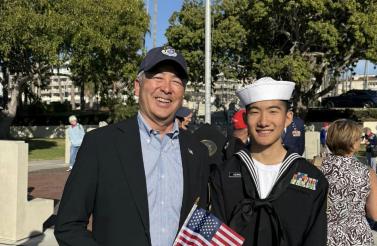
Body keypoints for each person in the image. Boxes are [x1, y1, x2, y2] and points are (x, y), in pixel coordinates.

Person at [55, 46, 211, 246]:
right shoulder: (100, 145)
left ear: (182, 93)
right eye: (157, 77)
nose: (167, 87)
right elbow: (68, 226)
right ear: (137, 86)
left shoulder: (197, 151)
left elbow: (200, 224)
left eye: (176, 81)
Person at [211, 77, 328, 245]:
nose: (264, 121)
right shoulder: (223, 175)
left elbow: (315, 239)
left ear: (288, 118)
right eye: (255, 112)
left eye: (273, 111)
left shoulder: (312, 178)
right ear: (245, 119)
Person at [320, 119, 377, 245]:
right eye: (359, 138)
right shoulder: (368, 173)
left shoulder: (315, 168)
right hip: (358, 236)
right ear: (353, 143)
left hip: (324, 235)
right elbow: (375, 215)